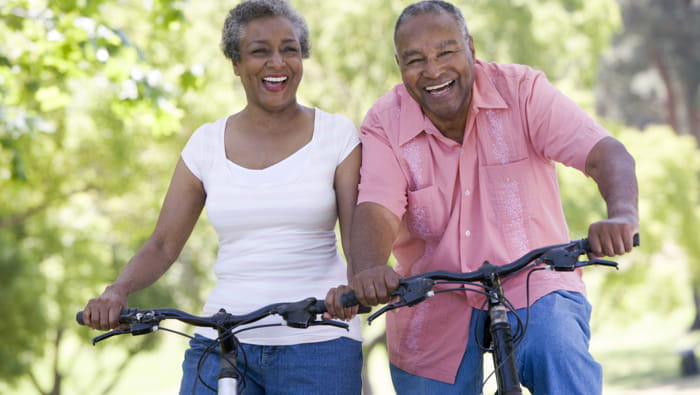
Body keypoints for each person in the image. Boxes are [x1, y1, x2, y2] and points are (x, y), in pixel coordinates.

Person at [341, 1, 639, 394]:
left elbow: (605, 154)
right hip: (431, 294)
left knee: (559, 352)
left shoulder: (522, 91)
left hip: (534, 281)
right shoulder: (384, 121)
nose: (433, 70)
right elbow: (377, 208)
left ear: (471, 47)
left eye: (446, 52)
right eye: (415, 60)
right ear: (399, 66)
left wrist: (621, 215)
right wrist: (369, 269)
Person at [80, 0, 363, 394]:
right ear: (235, 62)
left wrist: (355, 285)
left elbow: (358, 239)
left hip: (319, 342)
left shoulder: (337, 136)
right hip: (224, 337)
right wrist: (117, 290)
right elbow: (163, 244)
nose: (277, 62)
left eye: (289, 49)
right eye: (259, 51)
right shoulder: (206, 144)